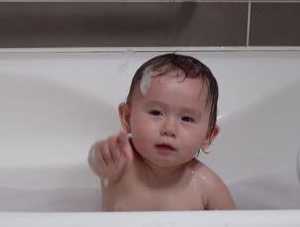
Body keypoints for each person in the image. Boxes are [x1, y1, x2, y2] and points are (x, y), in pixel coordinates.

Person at [88, 53, 236, 211]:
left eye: (186, 118)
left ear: (207, 136)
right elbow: (96, 160)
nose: (169, 129)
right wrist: (103, 154)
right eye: (156, 113)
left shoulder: (207, 186)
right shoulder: (121, 164)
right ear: (127, 117)